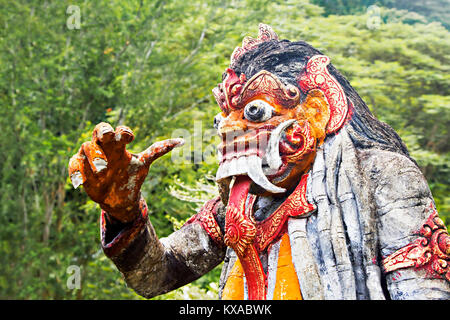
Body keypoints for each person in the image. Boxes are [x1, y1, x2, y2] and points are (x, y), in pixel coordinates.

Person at [68, 24, 449, 300]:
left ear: (314, 112)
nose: (228, 129)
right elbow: (157, 274)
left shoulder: (383, 176)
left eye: (254, 111)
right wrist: (123, 213)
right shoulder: (240, 200)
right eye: (224, 118)